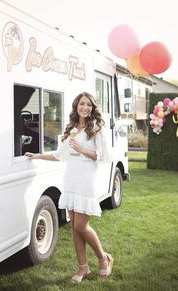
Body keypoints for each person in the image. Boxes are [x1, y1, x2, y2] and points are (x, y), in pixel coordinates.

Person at [25, 92, 114, 283]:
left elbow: (106, 156)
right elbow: (60, 155)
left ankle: (103, 258)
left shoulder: (97, 128)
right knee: (74, 227)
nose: (85, 108)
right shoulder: (72, 127)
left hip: (86, 179)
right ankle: (83, 268)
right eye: (82, 104)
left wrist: (83, 150)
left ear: (92, 108)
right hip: (71, 179)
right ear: (76, 106)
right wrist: (39, 155)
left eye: (89, 105)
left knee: (82, 226)